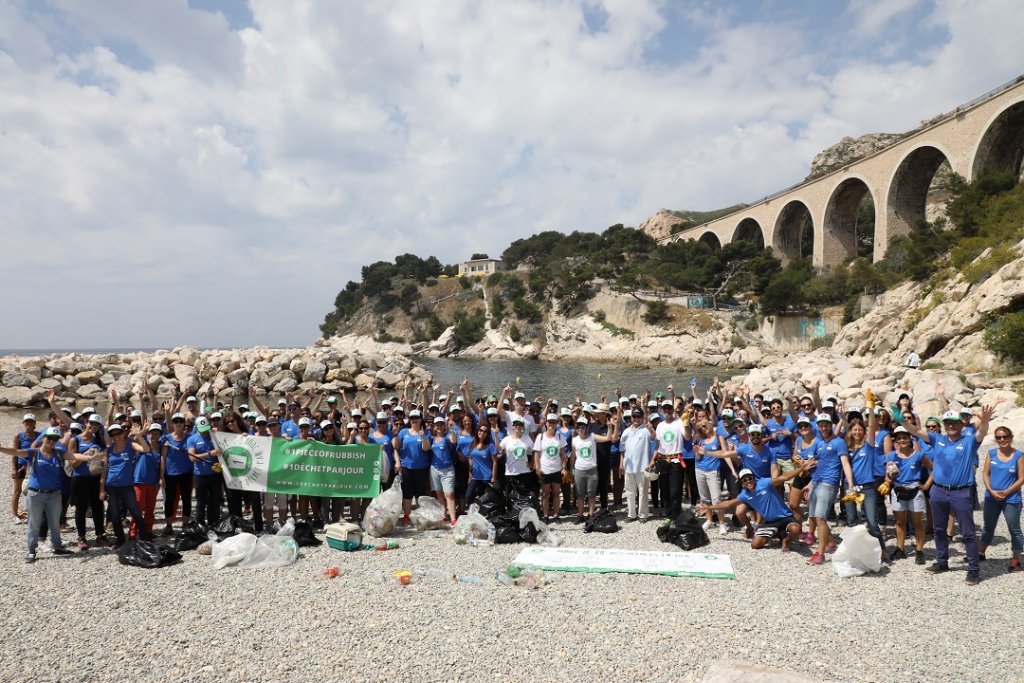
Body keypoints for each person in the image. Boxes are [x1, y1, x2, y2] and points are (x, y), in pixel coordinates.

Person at [898, 405, 996, 584]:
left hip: (961, 492)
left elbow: (982, 432)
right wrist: (901, 421)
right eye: (948, 423)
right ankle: (942, 561)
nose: (951, 426)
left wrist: (986, 420)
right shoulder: (937, 439)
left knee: (968, 533)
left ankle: (973, 568)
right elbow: (916, 431)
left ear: (961, 425)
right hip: (939, 491)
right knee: (939, 530)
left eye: (954, 423)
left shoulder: (969, 441)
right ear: (944, 425)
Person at [0, 427, 75, 562]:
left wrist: (90, 457)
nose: (52, 441)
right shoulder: (33, 453)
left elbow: (74, 456)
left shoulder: (58, 453)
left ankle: (57, 546)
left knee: (54, 522)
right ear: (43, 438)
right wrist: (1, 449)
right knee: (34, 523)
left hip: (54, 494)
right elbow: (17, 452)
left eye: (55, 439)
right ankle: (31, 550)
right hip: (36, 494)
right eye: (50, 438)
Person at [698, 467, 809, 552]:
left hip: (785, 517)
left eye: (750, 478)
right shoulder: (744, 494)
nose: (748, 481)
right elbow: (728, 503)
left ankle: (786, 540)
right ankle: (779, 533)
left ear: (753, 478)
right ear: (742, 483)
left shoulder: (765, 483)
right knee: (755, 545)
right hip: (770, 522)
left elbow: (784, 477)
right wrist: (709, 507)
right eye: (744, 480)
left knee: (796, 529)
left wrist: (802, 468)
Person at [806, 413, 854, 566]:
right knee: (814, 516)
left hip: (829, 483)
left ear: (831, 425)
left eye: (826, 424)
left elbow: (845, 463)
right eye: (821, 425)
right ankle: (831, 543)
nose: (823, 427)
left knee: (820, 517)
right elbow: (815, 464)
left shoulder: (839, 442)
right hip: (816, 482)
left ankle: (820, 554)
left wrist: (851, 485)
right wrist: (810, 483)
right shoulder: (819, 443)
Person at [884, 426, 932, 564]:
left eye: (905, 437)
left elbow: (934, 468)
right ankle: (900, 549)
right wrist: (888, 478)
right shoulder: (891, 456)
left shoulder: (918, 455)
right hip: (898, 490)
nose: (902, 440)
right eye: (899, 438)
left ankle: (919, 550)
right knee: (900, 522)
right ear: (896, 441)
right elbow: (888, 476)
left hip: (915, 490)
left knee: (917, 523)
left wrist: (927, 484)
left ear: (910, 438)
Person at [979, 426, 1023, 572]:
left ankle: (1016, 559)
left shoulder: (1019, 455)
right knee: (988, 527)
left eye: (1005, 436)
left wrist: (1006, 492)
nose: (1002, 440)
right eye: (999, 437)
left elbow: (1022, 478)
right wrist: (991, 490)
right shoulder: (991, 453)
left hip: (1011, 499)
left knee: (1014, 529)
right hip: (991, 497)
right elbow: (985, 474)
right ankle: (980, 553)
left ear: (1010, 437)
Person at [101, 423, 148, 546]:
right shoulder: (109, 450)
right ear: (110, 436)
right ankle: (120, 539)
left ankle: (144, 537)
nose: (116, 436)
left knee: (135, 512)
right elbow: (104, 469)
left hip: (127, 486)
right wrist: (102, 489)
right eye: (113, 434)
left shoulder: (130, 446)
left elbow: (146, 449)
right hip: (111, 486)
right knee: (115, 515)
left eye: (118, 433)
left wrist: (139, 435)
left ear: (123, 433)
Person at [392, 409, 432, 525]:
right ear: (410, 420)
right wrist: (395, 434)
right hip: (406, 467)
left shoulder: (425, 432)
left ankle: (419, 515)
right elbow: (396, 446)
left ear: (420, 419)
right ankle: (407, 515)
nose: (414, 420)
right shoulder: (404, 432)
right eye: (412, 418)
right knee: (407, 493)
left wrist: (423, 436)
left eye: (417, 418)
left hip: (422, 467)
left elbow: (426, 448)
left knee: (420, 493)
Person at [653, 400, 687, 519]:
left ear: (673, 410)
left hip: (675, 459)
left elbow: (687, 436)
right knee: (664, 490)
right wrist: (653, 459)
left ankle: (676, 515)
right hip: (662, 459)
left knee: (676, 490)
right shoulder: (660, 425)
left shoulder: (679, 422)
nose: (667, 411)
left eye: (669, 408)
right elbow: (658, 444)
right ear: (661, 410)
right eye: (665, 408)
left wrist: (686, 424)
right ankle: (668, 515)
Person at [187, 416, 223, 527]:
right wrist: (209, 454)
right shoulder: (192, 439)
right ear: (196, 428)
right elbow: (192, 457)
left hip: (214, 474)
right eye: (202, 429)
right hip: (200, 475)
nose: (205, 431)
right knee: (201, 502)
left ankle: (214, 522)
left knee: (215, 501)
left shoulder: (214, 437)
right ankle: (200, 524)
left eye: (206, 428)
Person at [161, 412, 193, 535]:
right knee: (169, 500)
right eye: (176, 421)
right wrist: (161, 476)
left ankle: (185, 524)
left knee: (186, 499)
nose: (179, 423)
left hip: (186, 472)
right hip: (170, 474)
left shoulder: (189, 438)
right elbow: (163, 457)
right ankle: (169, 525)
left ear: (184, 423)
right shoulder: (166, 438)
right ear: (173, 423)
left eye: (181, 421)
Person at [618, 408, 652, 522]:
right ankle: (631, 514)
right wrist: (621, 464)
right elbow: (622, 449)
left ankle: (643, 514)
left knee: (643, 492)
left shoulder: (646, 431)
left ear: (642, 417)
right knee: (629, 491)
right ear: (631, 417)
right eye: (634, 416)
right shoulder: (626, 432)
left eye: (639, 416)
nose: (636, 419)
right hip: (628, 466)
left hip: (642, 466)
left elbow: (654, 438)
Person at [131, 423, 163, 540]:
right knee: (138, 509)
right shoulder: (141, 444)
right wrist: (141, 431)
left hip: (152, 482)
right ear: (148, 434)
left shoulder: (160, 447)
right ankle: (133, 533)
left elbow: (160, 465)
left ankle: (148, 531)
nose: (154, 435)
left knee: (150, 509)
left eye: (156, 433)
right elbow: (133, 440)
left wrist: (159, 480)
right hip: (139, 481)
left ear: (160, 435)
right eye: (152, 433)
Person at [533, 413, 568, 522]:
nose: (551, 424)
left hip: (556, 469)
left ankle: (556, 515)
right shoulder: (541, 436)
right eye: (550, 422)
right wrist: (537, 467)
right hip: (545, 469)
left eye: (554, 422)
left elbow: (563, 455)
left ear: (557, 423)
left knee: (556, 493)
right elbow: (537, 453)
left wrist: (564, 468)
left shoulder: (559, 437)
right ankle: (545, 515)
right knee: (545, 494)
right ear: (546, 423)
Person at [428, 416, 459, 525]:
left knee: (449, 494)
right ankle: (444, 514)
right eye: (437, 425)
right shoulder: (431, 439)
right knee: (439, 493)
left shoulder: (448, 437)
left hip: (447, 469)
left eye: (441, 424)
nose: (439, 426)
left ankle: (453, 518)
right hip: (434, 469)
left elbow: (454, 441)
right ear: (434, 427)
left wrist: (452, 430)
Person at [10, 413, 39, 524]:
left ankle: (33, 514)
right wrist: (13, 468)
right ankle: (15, 515)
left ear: (34, 424)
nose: (28, 423)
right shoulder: (19, 435)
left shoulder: (39, 435)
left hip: (35, 465)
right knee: (17, 491)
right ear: (23, 423)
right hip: (21, 465)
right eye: (26, 421)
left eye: (31, 422)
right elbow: (14, 452)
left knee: (34, 490)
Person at [499, 416, 536, 498]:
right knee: (509, 496)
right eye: (515, 424)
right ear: (512, 426)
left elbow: (534, 450)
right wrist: (495, 436)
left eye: (520, 425)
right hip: (510, 472)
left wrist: (532, 461)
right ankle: (510, 510)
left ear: (522, 427)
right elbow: (498, 449)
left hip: (524, 471)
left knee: (524, 496)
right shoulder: (506, 439)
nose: (517, 426)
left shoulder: (527, 438)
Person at [465, 424, 498, 505]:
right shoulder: (473, 443)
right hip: (475, 476)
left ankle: (481, 516)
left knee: (482, 499)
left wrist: (494, 477)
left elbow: (495, 462)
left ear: (488, 434)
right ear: (477, 431)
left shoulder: (490, 445)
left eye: (485, 431)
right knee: (468, 496)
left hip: (487, 476)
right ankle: (472, 513)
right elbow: (470, 459)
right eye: (480, 430)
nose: (482, 433)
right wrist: (470, 474)